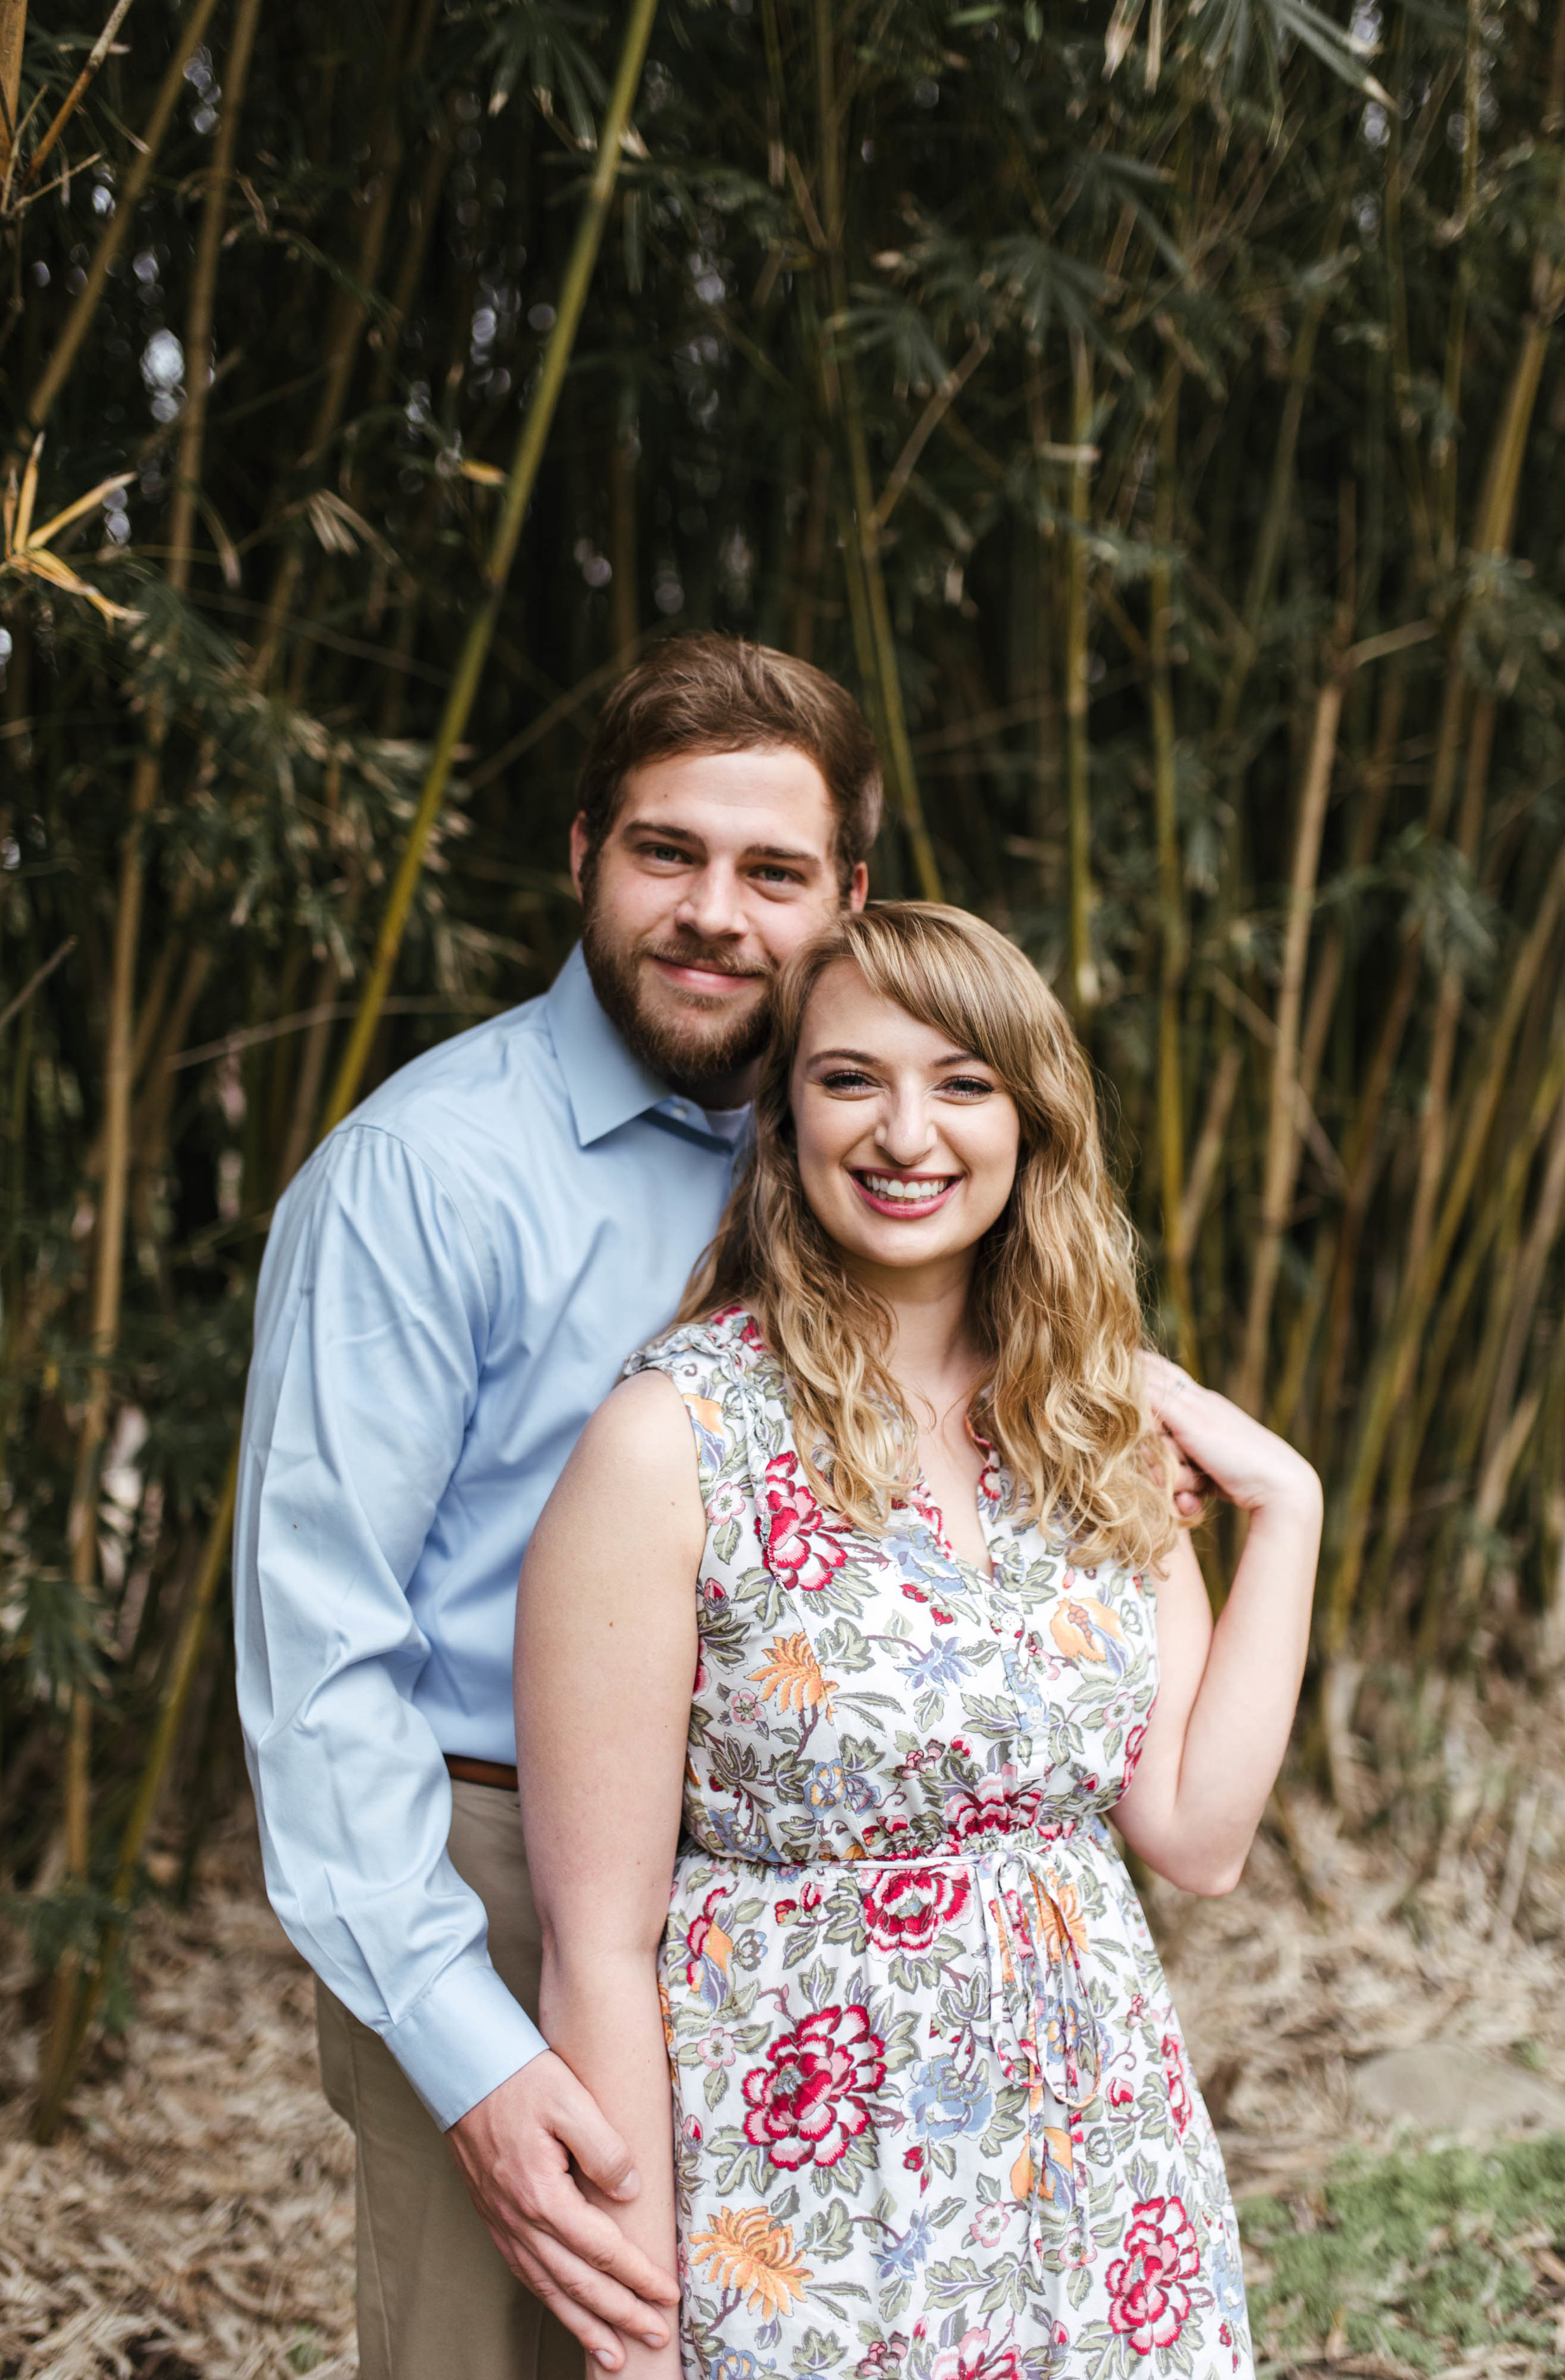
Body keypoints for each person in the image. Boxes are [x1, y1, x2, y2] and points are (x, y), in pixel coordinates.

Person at [516, 903, 1322, 2380]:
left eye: (960, 1081)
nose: (905, 1132)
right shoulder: (672, 1440)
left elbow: (1192, 1833)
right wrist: (634, 2335)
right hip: (811, 2196)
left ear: (1028, 1118)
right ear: (783, 1117)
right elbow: (596, 1945)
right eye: (848, 1080)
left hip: (1099, 2181)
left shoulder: (1085, 1428)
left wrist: (1288, 1507)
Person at [233, 635, 879, 2380]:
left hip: (795, 1878)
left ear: (847, 898)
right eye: (667, 852)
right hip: (499, 1870)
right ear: (582, 846)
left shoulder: (866, 1157)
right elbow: (320, 1664)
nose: (713, 915)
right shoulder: (419, 1177)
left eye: (772, 872)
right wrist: (475, 2054)